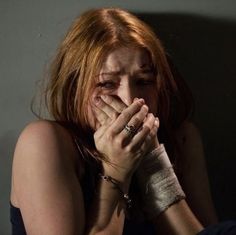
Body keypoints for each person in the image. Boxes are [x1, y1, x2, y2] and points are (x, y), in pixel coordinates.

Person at [10, 7, 219, 235]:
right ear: (74, 90)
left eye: (143, 80)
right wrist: (117, 170)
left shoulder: (182, 139)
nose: (131, 100)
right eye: (107, 84)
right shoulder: (45, 142)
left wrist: (153, 164)